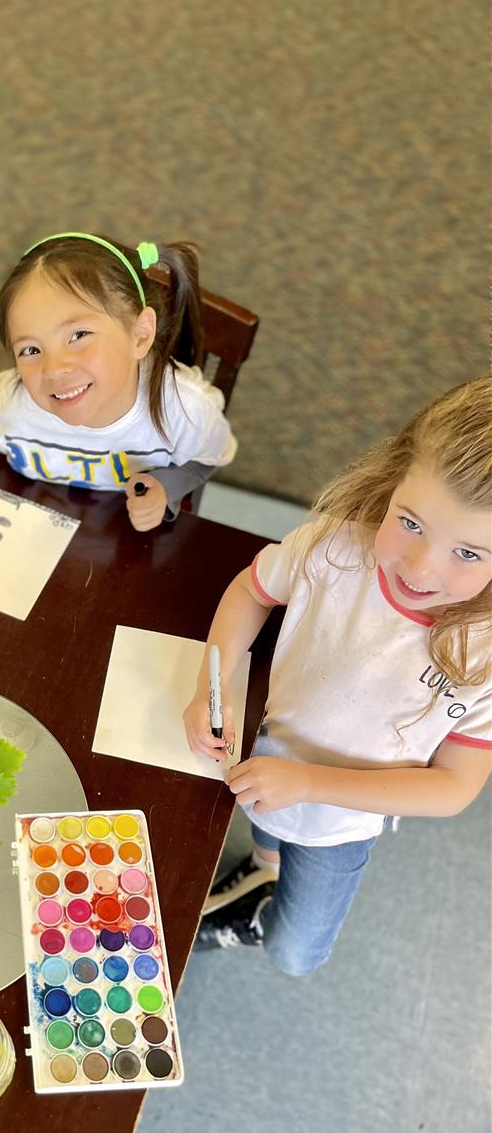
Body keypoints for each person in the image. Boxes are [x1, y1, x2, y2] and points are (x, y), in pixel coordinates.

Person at [183, 378, 492, 973]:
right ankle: (264, 869)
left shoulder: (481, 656)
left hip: (341, 821)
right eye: (410, 522)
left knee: (295, 952)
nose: (422, 566)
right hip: (266, 760)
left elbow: (454, 787)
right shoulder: (332, 547)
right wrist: (210, 686)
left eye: (469, 554)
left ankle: (258, 917)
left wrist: (306, 784)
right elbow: (252, 590)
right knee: (266, 833)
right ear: (392, 480)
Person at [0, 232, 236, 529]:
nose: (54, 368)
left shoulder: (185, 411)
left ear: (141, 334)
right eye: (30, 349)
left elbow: (208, 456)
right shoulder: (17, 399)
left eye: (79, 334)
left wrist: (167, 487)